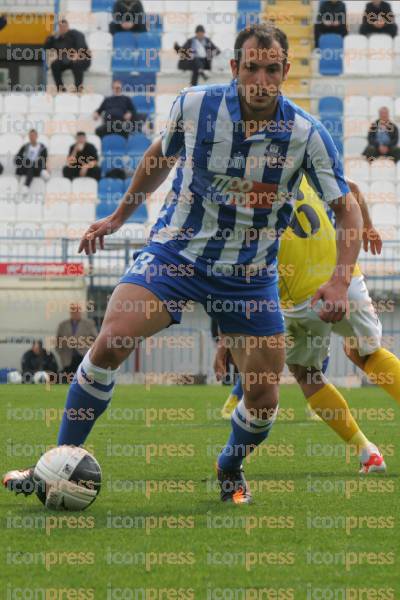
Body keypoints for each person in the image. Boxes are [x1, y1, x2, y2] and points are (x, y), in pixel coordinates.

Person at [3, 23, 363, 505]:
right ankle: (54, 465)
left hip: (249, 276)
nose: (260, 79)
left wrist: (340, 282)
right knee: (111, 340)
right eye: (251, 67)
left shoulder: (306, 135)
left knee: (263, 399)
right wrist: (116, 217)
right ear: (234, 67)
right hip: (177, 255)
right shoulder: (196, 106)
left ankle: (229, 467)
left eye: (271, 69)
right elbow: (158, 157)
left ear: (285, 71)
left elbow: (346, 207)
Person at [219, 177, 400, 474]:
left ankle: (367, 453)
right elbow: (352, 188)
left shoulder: (236, 191)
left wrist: (228, 337)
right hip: (343, 277)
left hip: (299, 299)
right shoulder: (306, 167)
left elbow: (235, 268)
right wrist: (367, 226)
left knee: (307, 374)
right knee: (367, 354)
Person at [44, 19, 91, 92]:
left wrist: (76, 54)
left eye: (64, 26)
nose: (62, 28)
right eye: (60, 27)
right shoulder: (57, 39)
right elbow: (46, 47)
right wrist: (51, 37)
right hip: (66, 61)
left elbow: (81, 45)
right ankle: (61, 88)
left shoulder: (75, 34)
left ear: (67, 26)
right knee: (54, 64)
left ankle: (78, 88)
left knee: (77, 63)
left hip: (82, 59)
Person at [56, 303, 98, 379]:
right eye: (73, 311)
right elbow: (58, 342)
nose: (75, 313)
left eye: (77, 311)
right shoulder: (62, 325)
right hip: (67, 357)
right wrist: (61, 353)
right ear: (70, 312)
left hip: (83, 356)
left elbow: (95, 340)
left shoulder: (89, 324)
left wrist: (82, 342)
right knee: (67, 379)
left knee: (83, 379)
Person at [14, 129, 50, 195]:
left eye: (33, 135)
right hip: (26, 168)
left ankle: (26, 186)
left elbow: (45, 159)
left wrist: (47, 168)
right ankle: (41, 171)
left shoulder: (42, 147)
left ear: (36, 136)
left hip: (35, 168)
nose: (31, 137)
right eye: (30, 136)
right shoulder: (25, 147)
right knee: (29, 162)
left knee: (34, 165)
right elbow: (17, 159)